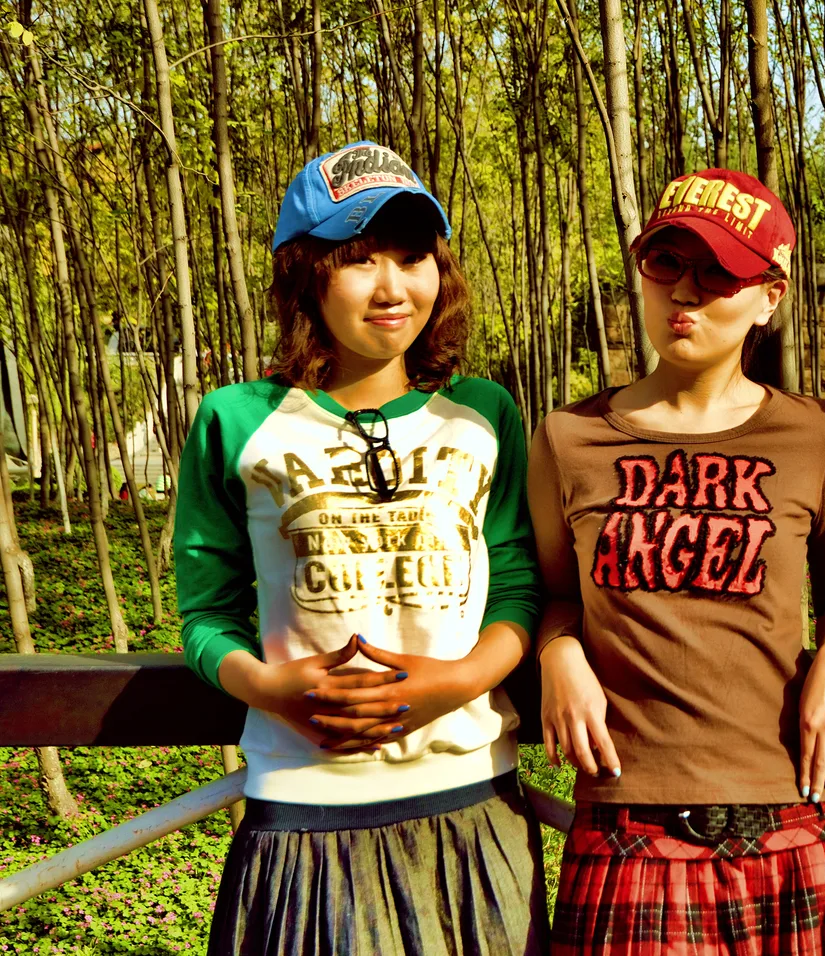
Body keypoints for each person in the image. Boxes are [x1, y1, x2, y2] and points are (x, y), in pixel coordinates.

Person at [175, 140, 548, 956]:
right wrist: (269, 687)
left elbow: (518, 582)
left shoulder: (484, 413)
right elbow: (204, 612)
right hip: (301, 810)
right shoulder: (236, 420)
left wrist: (460, 681)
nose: (391, 288)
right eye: (357, 259)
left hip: (473, 800)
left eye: (412, 258)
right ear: (305, 274)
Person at [528, 168, 825, 955]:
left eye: (719, 271)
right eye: (666, 262)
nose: (685, 291)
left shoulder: (820, 436)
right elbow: (553, 593)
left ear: (770, 296)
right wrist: (558, 652)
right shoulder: (567, 438)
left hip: (795, 808)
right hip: (627, 823)